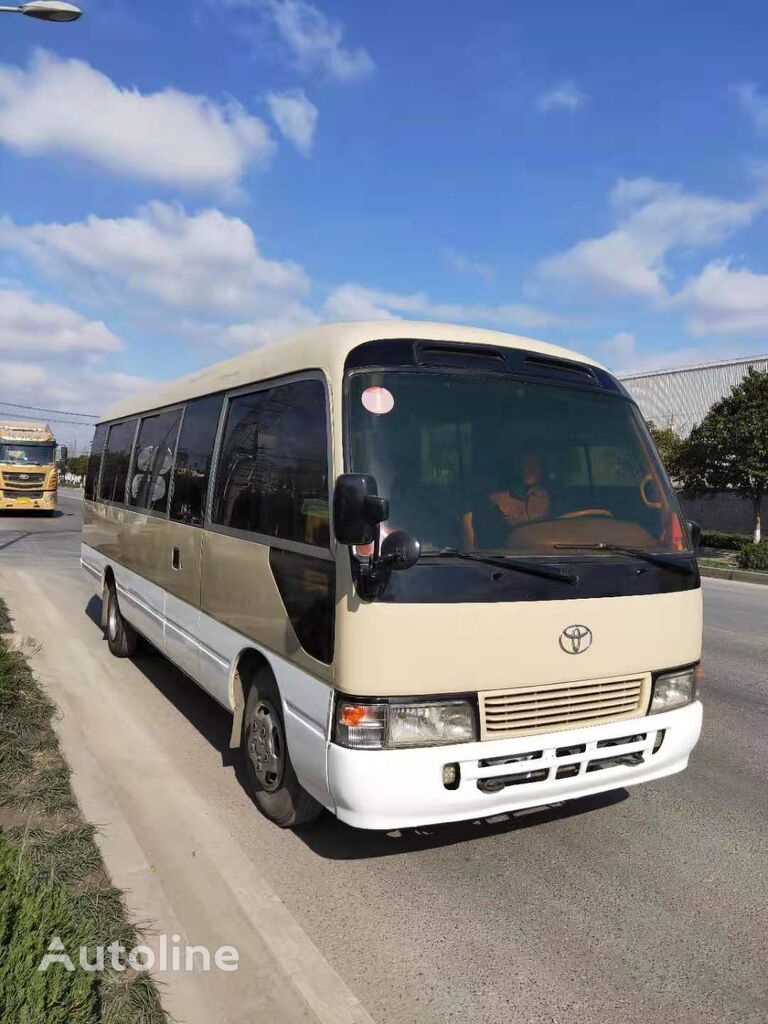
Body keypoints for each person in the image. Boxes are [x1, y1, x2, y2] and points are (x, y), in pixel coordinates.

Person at [462, 454, 550, 551]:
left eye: (536, 463)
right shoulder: (485, 504)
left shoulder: (553, 499)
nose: (532, 467)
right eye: (526, 461)